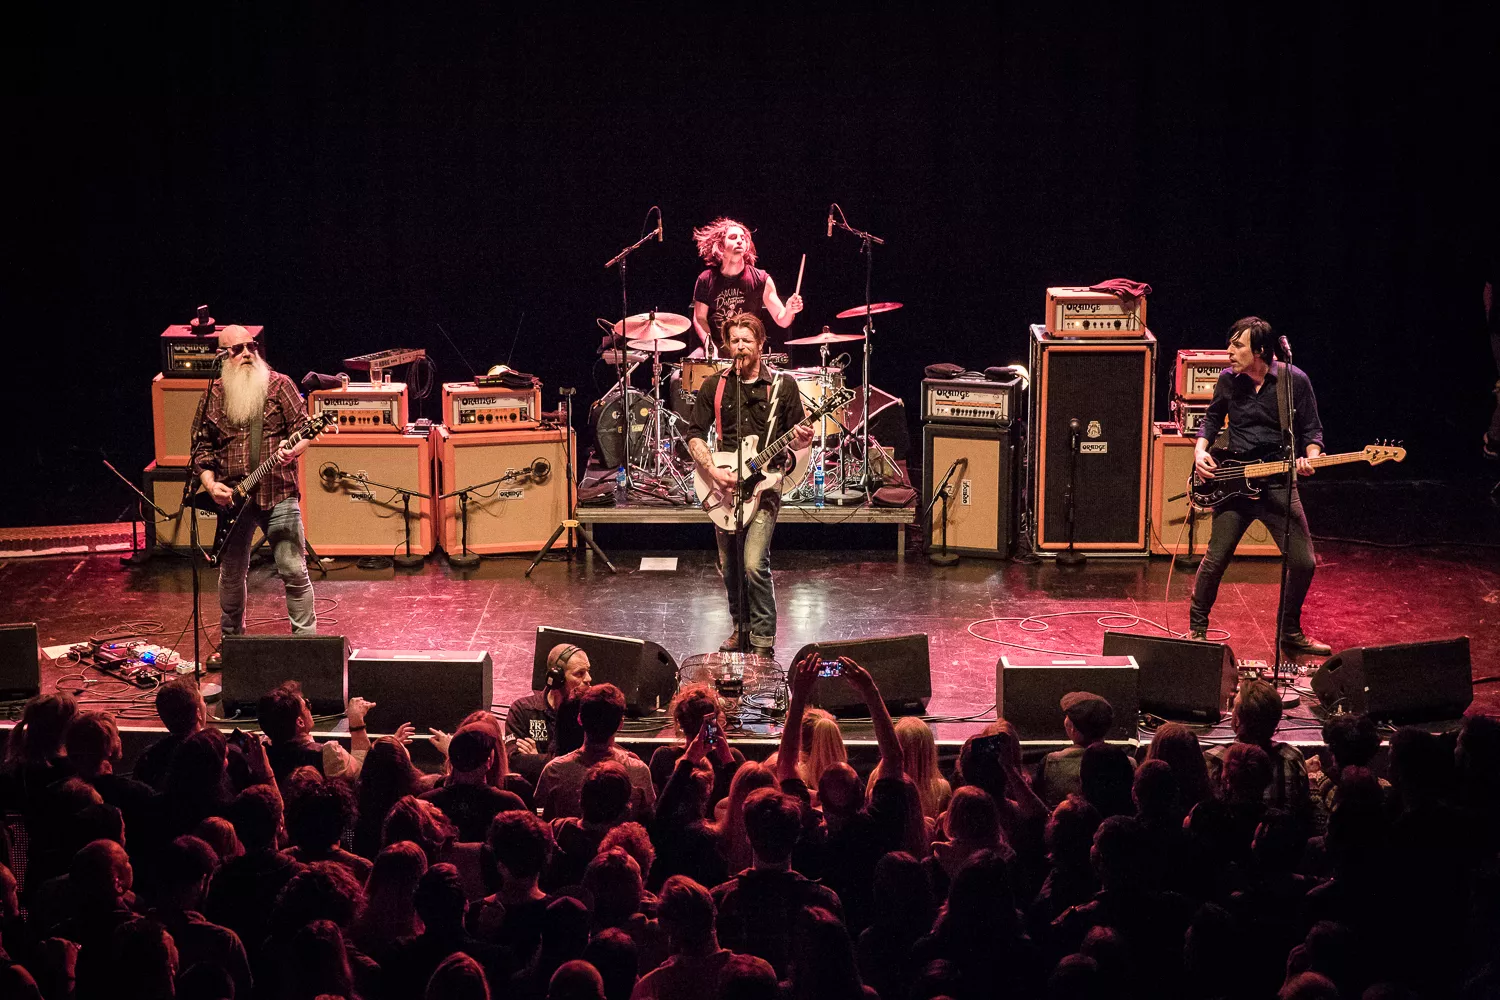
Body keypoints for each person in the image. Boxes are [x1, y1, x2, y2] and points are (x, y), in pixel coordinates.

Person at [1189, 316, 1329, 655]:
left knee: (1304, 562)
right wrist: (1200, 450)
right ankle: (1197, 629)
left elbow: (1312, 430)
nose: (1229, 351)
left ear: (1260, 351)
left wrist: (1311, 457)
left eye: (1238, 345)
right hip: (1235, 484)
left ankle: (1289, 631)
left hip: (1278, 484)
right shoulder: (1228, 380)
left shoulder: (1294, 381)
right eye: (1230, 343)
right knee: (1215, 559)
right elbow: (1211, 419)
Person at [685, 313, 813, 657]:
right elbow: (694, 433)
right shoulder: (714, 385)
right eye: (735, 341)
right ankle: (740, 628)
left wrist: (804, 438)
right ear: (727, 345)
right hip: (725, 487)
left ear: (760, 344)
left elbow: (798, 438)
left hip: (765, 485)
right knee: (729, 567)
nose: (740, 347)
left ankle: (763, 639)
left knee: (754, 562)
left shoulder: (783, 386)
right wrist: (712, 470)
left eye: (747, 340)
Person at [189, 324, 318, 653]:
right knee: (232, 574)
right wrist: (210, 484)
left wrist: (294, 450)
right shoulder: (212, 396)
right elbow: (201, 450)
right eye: (238, 349)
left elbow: (305, 430)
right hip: (233, 500)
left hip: (278, 492)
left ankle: (307, 647)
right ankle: (232, 643)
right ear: (223, 356)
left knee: (293, 569)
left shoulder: (280, 385)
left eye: (252, 346)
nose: (247, 353)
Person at [534, 684, 655, 821]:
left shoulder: (553, 771)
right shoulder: (639, 770)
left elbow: (545, 822)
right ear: (621, 724)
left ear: (579, 719)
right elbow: (647, 821)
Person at [690, 217, 804, 356]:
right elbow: (700, 318)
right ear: (721, 247)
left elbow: (782, 320)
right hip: (715, 350)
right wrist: (709, 346)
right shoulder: (706, 279)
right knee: (682, 370)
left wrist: (789, 310)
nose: (740, 240)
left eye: (743, 238)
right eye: (733, 237)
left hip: (747, 350)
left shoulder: (761, 279)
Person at [507, 644, 594, 784]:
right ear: (557, 678)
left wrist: (537, 758)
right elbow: (514, 760)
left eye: (588, 671)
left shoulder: (588, 711)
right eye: (579, 673)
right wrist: (557, 761)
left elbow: (589, 762)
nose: (588, 678)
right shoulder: (522, 710)